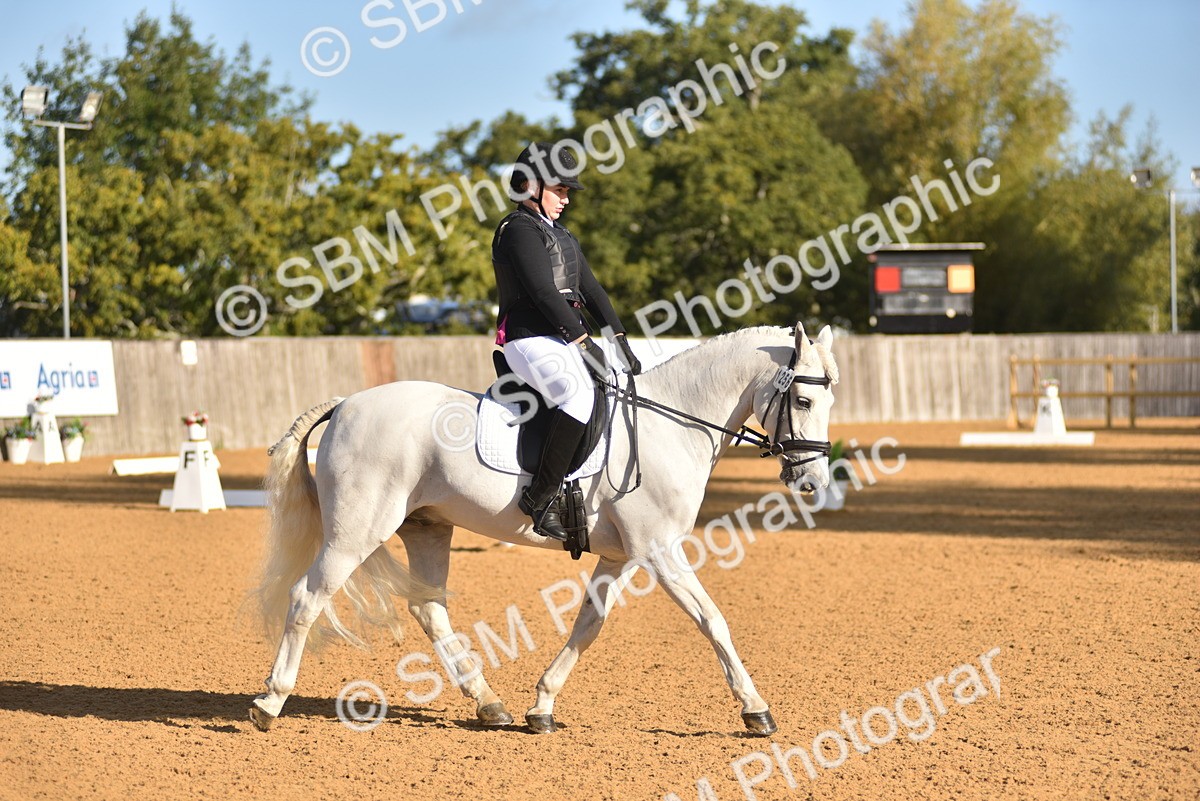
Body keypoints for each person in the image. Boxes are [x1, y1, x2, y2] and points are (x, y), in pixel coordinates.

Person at [491, 142, 641, 541]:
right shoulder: (518, 230)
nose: (566, 199)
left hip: (559, 339)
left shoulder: (561, 234)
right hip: (527, 337)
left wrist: (618, 336)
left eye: (568, 192)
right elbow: (542, 292)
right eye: (560, 190)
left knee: (609, 385)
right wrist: (582, 340)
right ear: (532, 186)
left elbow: (591, 290)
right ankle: (539, 497)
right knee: (576, 394)